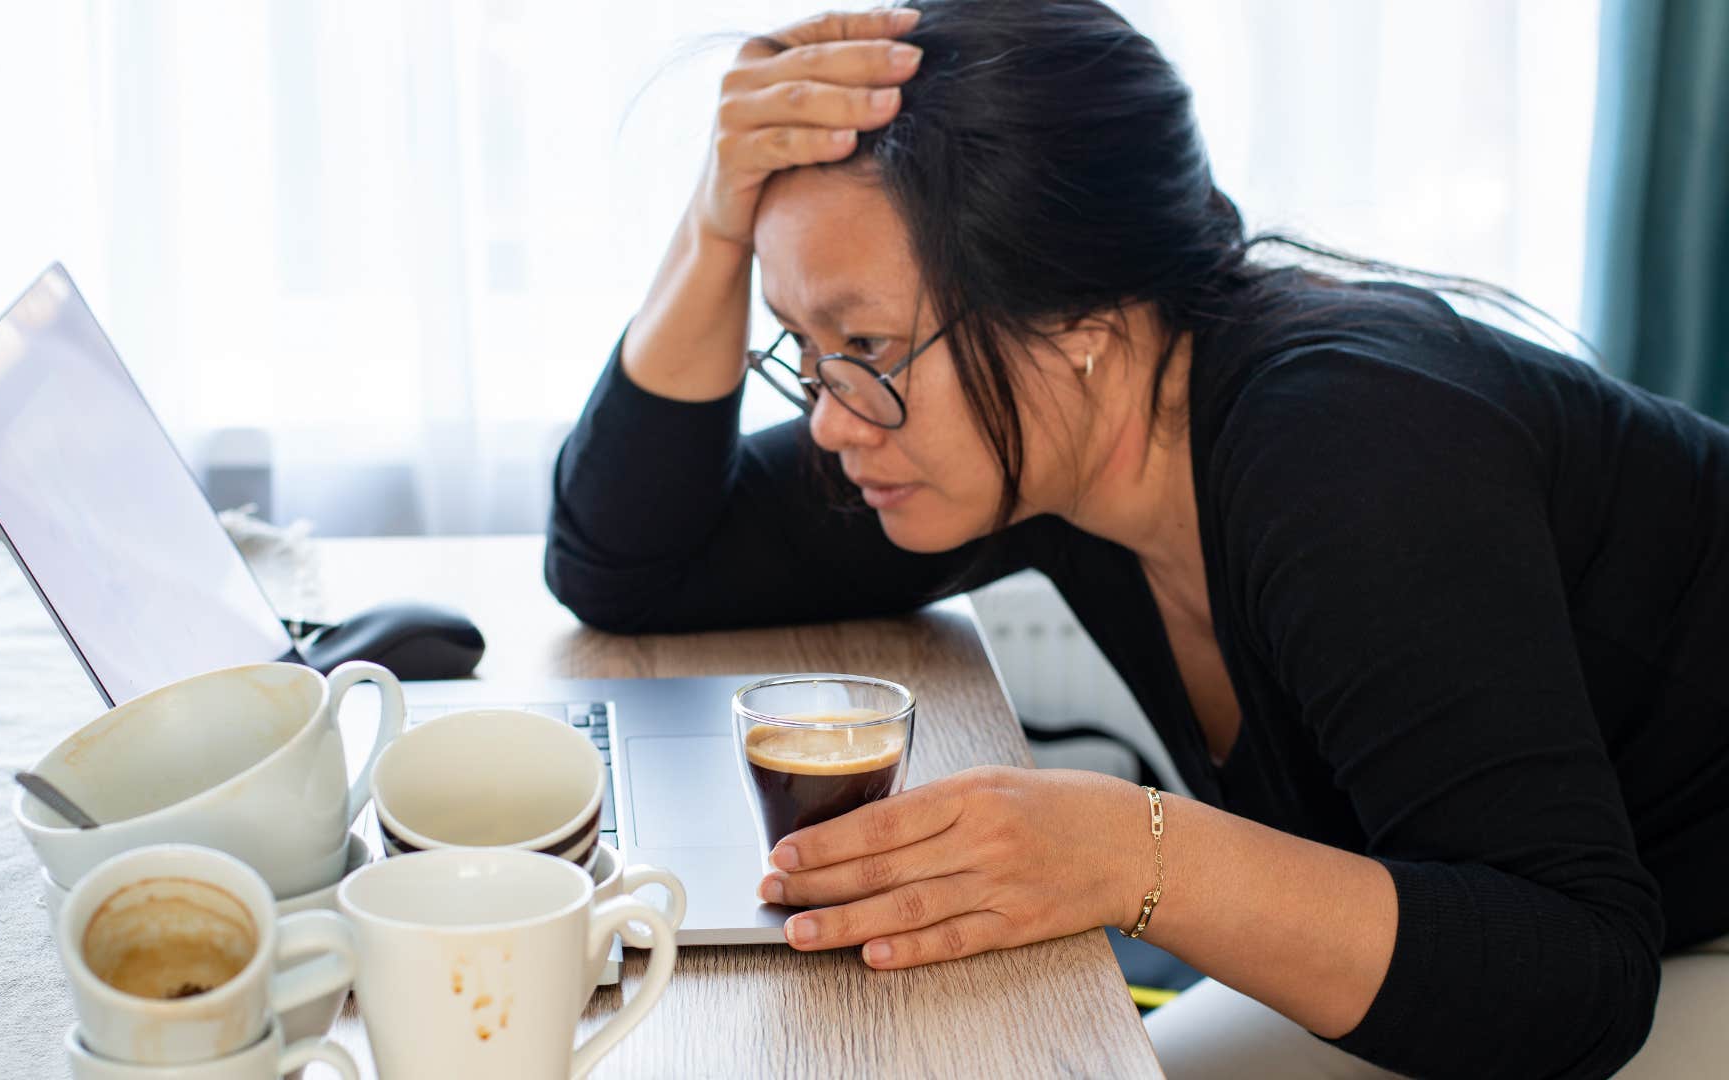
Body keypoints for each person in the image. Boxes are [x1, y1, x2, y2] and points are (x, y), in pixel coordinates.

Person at [542, 3, 1729, 1077]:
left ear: (1078, 326)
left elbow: (1579, 978)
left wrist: (1126, 854)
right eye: (803, 349)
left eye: (866, 347)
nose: (834, 420)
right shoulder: (1049, 444)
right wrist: (712, 225)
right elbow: (633, 565)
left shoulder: (1349, 450)